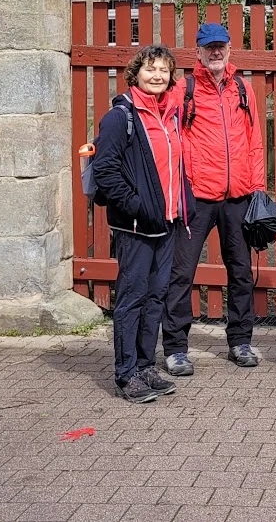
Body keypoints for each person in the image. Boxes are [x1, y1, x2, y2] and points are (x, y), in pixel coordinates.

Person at [162, 22, 266, 374]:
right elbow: (166, 131)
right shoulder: (183, 88)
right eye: (209, 47)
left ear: (230, 48)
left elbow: (255, 141)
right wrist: (182, 183)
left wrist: (257, 188)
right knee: (182, 272)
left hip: (238, 195)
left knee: (240, 272)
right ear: (199, 52)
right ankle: (175, 348)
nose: (216, 52)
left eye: (221, 46)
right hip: (197, 196)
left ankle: (241, 342)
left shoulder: (242, 88)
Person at [91, 44, 189, 403]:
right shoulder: (121, 117)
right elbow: (105, 171)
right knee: (132, 300)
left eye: (164, 70)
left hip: (167, 223)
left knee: (156, 297)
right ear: (136, 73)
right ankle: (126, 373)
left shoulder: (169, 116)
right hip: (135, 226)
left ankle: (147, 365)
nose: (157, 76)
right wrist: (137, 206)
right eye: (150, 69)